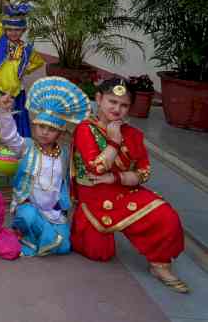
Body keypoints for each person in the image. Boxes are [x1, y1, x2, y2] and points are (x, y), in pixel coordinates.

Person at [71, 78, 189, 293]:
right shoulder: (85, 130)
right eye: (112, 102)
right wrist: (114, 142)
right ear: (98, 99)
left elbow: (144, 172)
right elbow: (97, 168)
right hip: (94, 196)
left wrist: (116, 178)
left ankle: (160, 265)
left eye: (124, 105)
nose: (117, 109)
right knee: (100, 254)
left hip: (122, 188)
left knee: (167, 216)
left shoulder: (133, 134)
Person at [0, 76, 90, 257]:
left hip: (53, 213)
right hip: (28, 207)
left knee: (64, 248)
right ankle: (41, 235)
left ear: (60, 133)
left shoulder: (64, 154)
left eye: (51, 129)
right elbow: (9, 136)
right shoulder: (26, 147)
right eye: (41, 127)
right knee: (27, 216)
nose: (45, 132)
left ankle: (36, 237)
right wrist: (4, 112)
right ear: (33, 126)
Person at [0, 0, 45, 138]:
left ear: (23, 31)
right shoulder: (1, 38)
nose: (13, 32)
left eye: (17, 30)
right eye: (10, 29)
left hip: (15, 91)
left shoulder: (26, 48)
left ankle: (14, 143)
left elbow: (39, 62)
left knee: (15, 118)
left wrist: (25, 70)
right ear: (5, 30)